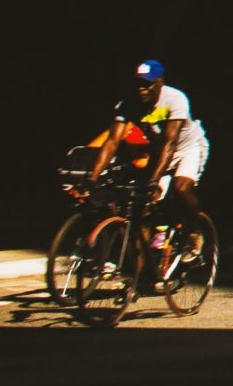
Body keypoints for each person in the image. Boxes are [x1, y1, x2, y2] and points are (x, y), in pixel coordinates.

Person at [83, 59, 208, 257]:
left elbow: (171, 143)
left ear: (160, 82)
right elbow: (112, 142)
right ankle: (141, 276)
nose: (142, 89)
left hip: (187, 148)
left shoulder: (175, 98)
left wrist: (154, 179)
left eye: (147, 84)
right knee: (143, 210)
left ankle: (194, 232)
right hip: (160, 152)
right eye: (138, 84)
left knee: (181, 186)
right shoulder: (128, 104)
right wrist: (93, 177)